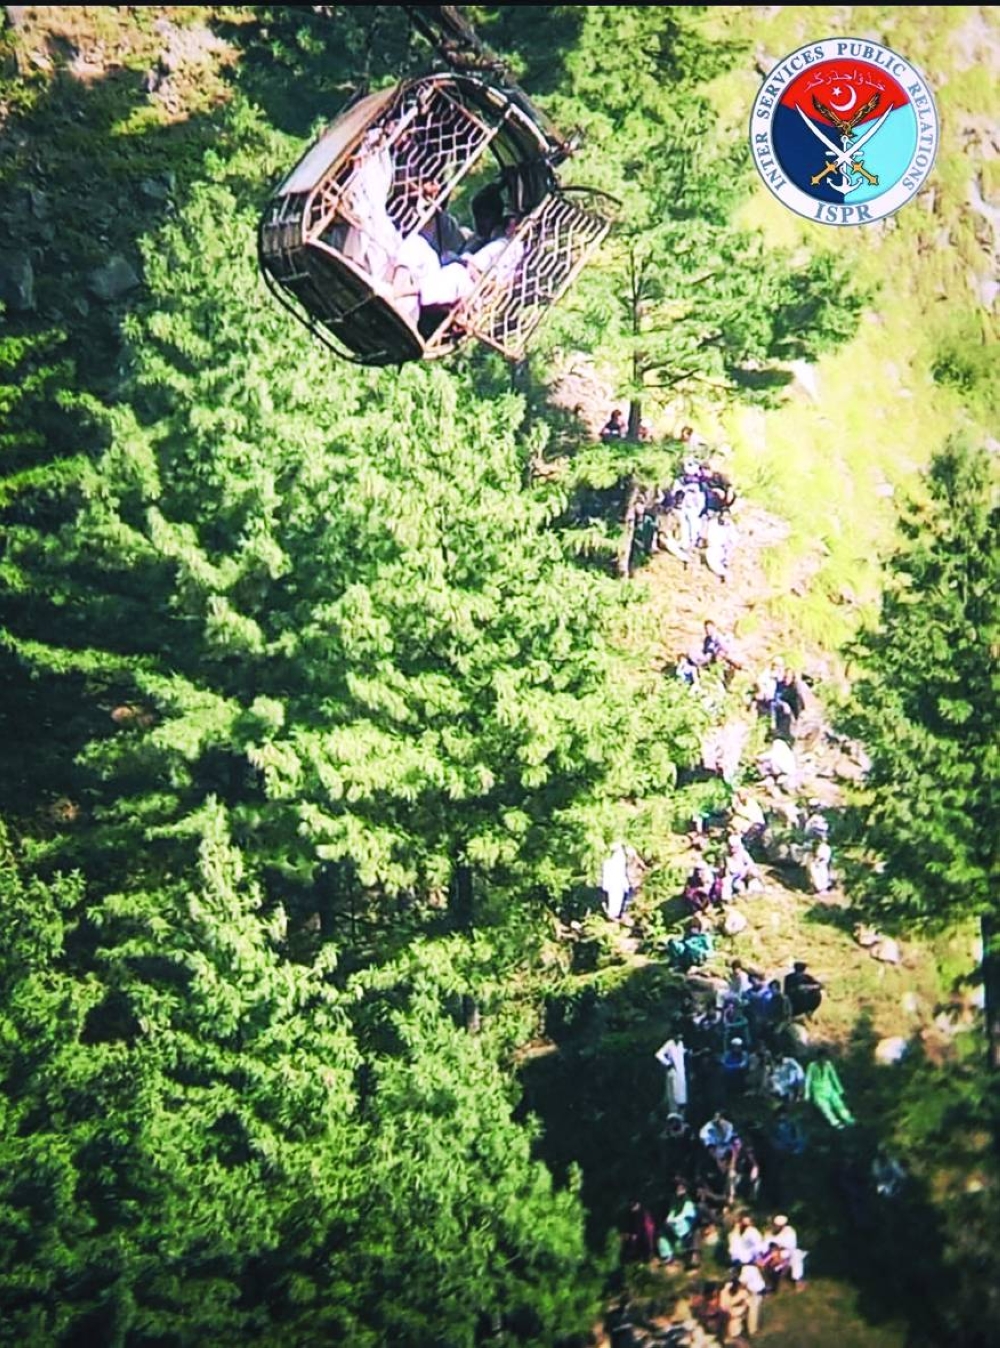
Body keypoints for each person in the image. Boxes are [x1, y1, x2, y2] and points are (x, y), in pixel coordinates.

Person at [804, 1046, 855, 1129]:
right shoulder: (812, 1066)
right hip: (818, 1092)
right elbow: (808, 1080)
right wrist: (807, 1094)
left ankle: (848, 1119)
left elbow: (834, 1077)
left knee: (839, 1104)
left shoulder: (828, 1064)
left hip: (830, 1089)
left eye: (825, 1058)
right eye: (822, 1057)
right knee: (825, 1108)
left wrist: (840, 1089)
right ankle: (835, 1123)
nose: (823, 1059)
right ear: (818, 1057)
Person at [658, 1183, 699, 1263]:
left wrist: (674, 1220)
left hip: (685, 1223)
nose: (679, 1191)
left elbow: (685, 1214)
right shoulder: (675, 1201)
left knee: (671, 1228)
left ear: (684, 1190)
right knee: (662, 1233)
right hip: (674, 1223)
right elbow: (672, 1212)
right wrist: (669, 1219)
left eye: (681, 1189)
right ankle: (667, 1254)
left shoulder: (687, 1201)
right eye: (677, 1189)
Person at [766, 1214, 807, 1286]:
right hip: (772, 1253)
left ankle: (798, 1280)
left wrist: (779, 1248)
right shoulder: (770, 1232)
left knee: (796, 1255)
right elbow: (766, 1244)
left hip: (786, 1253)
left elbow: (791, 1245)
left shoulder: (789, 1231)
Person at [655, 1035, 689, 1115]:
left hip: (681, 1072)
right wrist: (668, 1063)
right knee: (673, 1094)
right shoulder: (670, 1043)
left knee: (682, 1096)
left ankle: (681, 1114)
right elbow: (659, 1054)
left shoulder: (681, 1044)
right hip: (673, 1072)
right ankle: (673, 1113)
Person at [718, 1270, 753, 1343]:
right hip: (729, 1317)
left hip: (740, 1316)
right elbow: (723, 1307)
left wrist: (743, 1311)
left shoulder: (743, 1293)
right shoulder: (724, 1293)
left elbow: (748, 1304)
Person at [601, 841, 631, 921]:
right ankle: (614, 914)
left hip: (617, 880)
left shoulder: (619, 855)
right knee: (616, 896)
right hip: (615, 880)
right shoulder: (617, 857)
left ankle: (614, 914)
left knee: (617, 896)